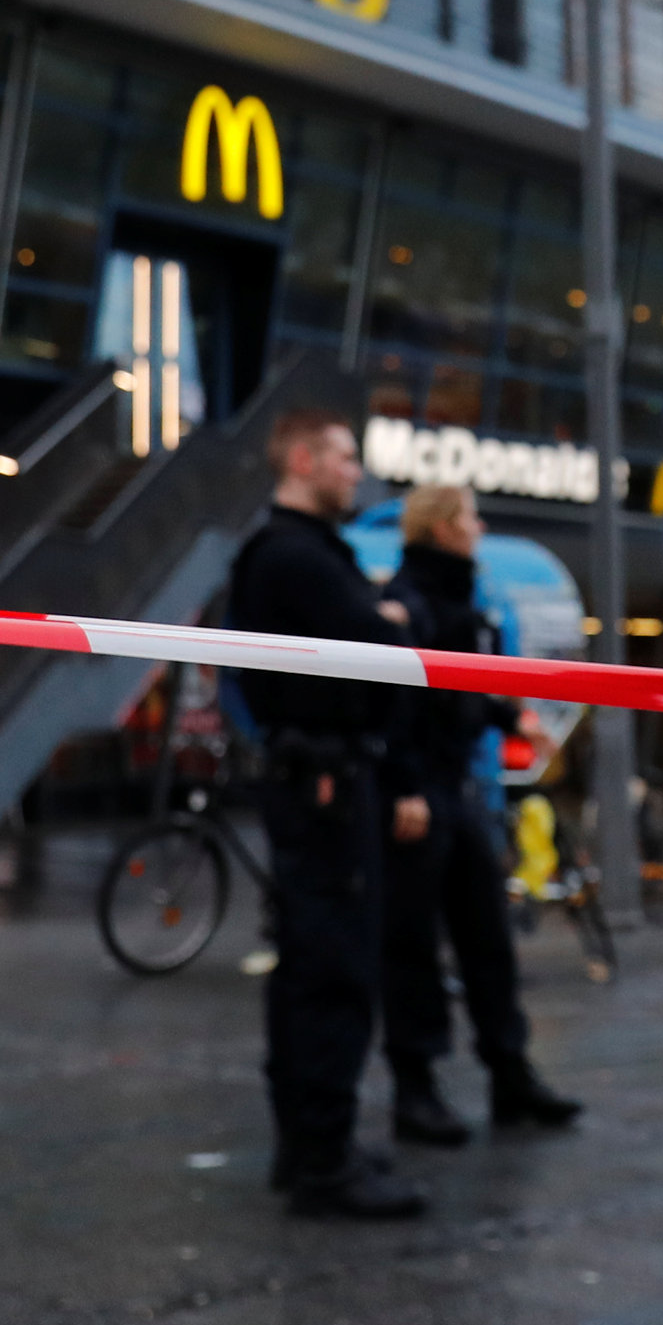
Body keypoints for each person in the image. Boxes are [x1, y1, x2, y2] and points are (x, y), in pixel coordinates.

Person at [226, 405, 428, 1221]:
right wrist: (385, 618)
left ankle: (311, 1146)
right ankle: (323, 1160)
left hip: (323, 783)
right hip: (325, 788)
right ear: (303, 460)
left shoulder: (299, 554)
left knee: (313, 966)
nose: (357, 473)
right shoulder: (293, 557)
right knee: (332, 969)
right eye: (345, 458)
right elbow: (375, 647)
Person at [376, 483, 582, 1147]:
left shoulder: (463, 594)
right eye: (468, 516)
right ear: (441, 527)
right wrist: (405, 785)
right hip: (423, 789)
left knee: (487, 936)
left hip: (459, 785)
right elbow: (397, 700)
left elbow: (460, 691)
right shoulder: (409, 598)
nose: (479, 525)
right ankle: (417, 1088)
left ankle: (510, 1072)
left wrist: (509, 715)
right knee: (413, 943)